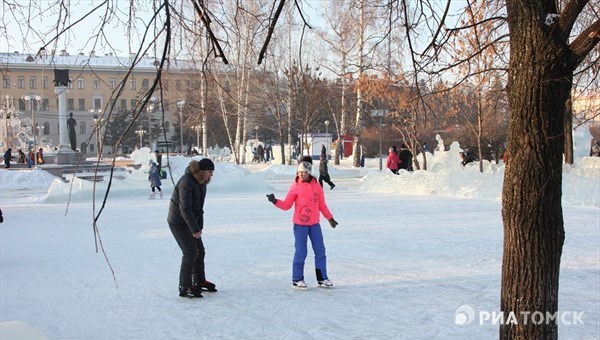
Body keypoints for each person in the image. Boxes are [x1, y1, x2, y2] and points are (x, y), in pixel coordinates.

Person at [266, 160, 339, 290]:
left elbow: (322, 205)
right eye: (299, 172)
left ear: (309, 173)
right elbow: (287, 205)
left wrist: (330, 218)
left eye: (303, 172)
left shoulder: (317, 187)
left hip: (315, 224)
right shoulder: (295, 187)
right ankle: (297, 278)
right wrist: (275, 201)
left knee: (320, 250)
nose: (300, 174)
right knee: (301, 251)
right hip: (300, 225)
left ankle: (322, 278)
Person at [167, 158, 217, 298]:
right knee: (190, 252)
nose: (211, 175)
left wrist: (198, 228)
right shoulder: (186, 182)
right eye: (209, 171)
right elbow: (185, 209)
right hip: (178, 222)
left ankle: (199, 281)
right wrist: (195, 229)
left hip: (191, 221)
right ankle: (185, 286)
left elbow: (199, 208)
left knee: (199, 250)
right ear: (201, 171)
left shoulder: (202, 183)